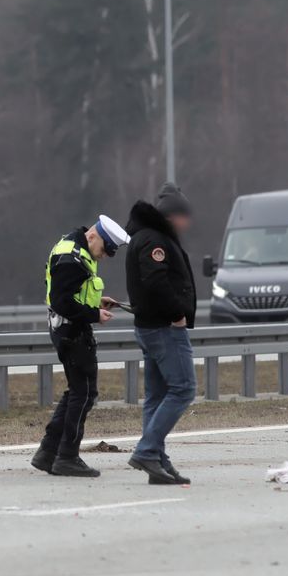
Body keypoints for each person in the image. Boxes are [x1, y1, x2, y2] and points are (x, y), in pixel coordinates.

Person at [31, 215, 130, 478]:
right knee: (84, 393)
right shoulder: (72, 259)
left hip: (66, 330)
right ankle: (67, 456)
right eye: (104, 250)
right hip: (71, 333)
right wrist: (94, 315)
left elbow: (73, 292)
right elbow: (62, 302)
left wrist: (97, 303)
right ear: (93, 237)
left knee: (78, 391)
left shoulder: (73, 247)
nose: (104, 257)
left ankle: (48, 452)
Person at [124, 183, 197, 485]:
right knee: (183, 389)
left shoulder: (144, 236)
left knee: (156, 395)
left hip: (148, 326)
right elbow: (156, 282)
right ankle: (147, 450)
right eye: (184, 216)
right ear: (172, 216)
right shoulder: (155, 240)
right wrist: (177, 313)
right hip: (164, 328)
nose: (187, 223)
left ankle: (158, 461)